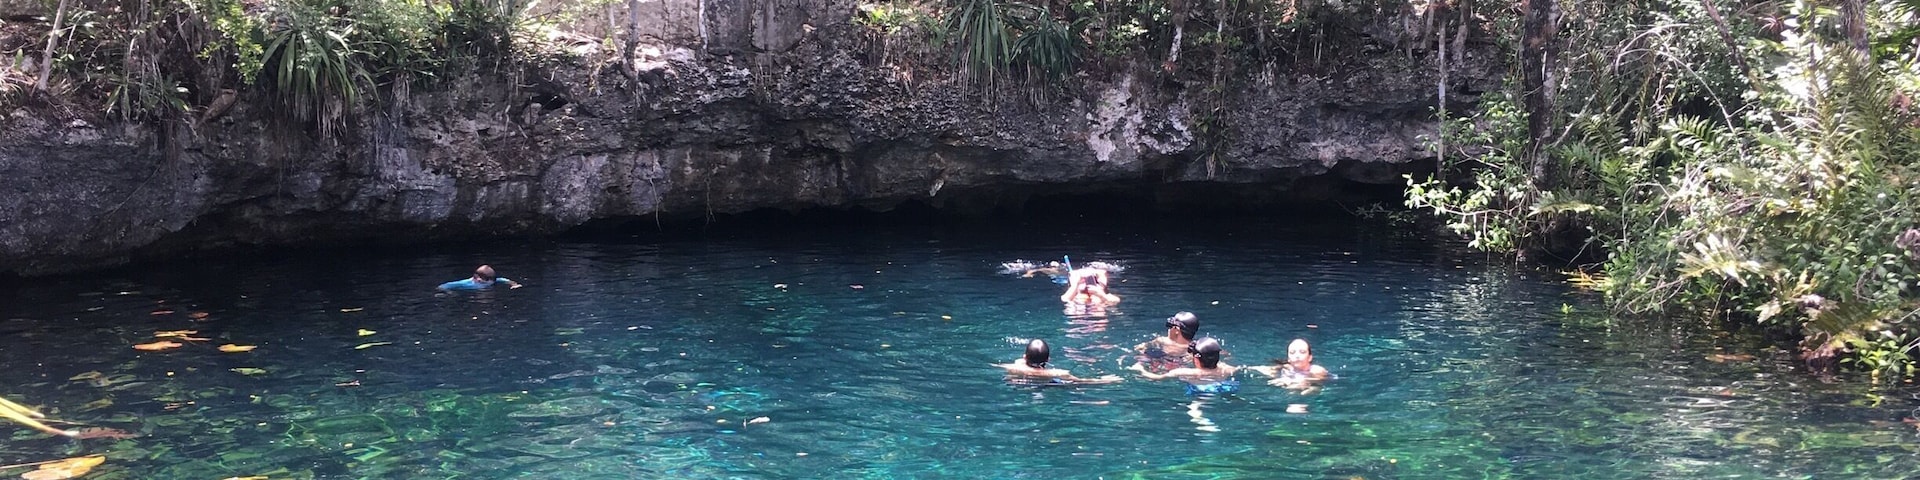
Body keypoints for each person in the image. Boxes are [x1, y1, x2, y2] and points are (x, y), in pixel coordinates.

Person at [1129, 337, 1241, 395]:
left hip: (1200, 390)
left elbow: (1156, 378)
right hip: (1224, 386)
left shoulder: (1185, 372)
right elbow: (1242, 369)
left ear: (1196, 359)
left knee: (1195, 406)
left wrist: (1140, 369)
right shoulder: (1226, 369)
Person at [996, 339, 1122, 385]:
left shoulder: (1014, 367)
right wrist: (1104, 380)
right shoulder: (1058, 373)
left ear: (1024, 357)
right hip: (1048, 384)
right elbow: (1082, 381)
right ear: (1048, 360)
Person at [1247, 338, 1332, 390]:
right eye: (1292, 353)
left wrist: (1289, 381)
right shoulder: (1287, 368)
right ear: (1289, 359)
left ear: (1310, 357)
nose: (1297, 356)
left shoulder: (1317, 370)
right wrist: (1239, 368)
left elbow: (1310, 381)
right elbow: (1261, 368)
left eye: (1302, 352)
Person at [1133, 312, 1200, 371]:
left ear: (1176, 329)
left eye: (1170, 326)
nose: (1168, 329)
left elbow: (1141, 348)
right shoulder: (1195, 350)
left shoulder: (1162, 341)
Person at [437, 265, 523, 291]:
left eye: (493, 279)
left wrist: (514, 284)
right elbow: (442, 286)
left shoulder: (492, 280)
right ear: (477, 278)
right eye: (488, 280)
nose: (491, 282)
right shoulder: (466, 283)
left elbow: (505, 280)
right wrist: (450, 293)